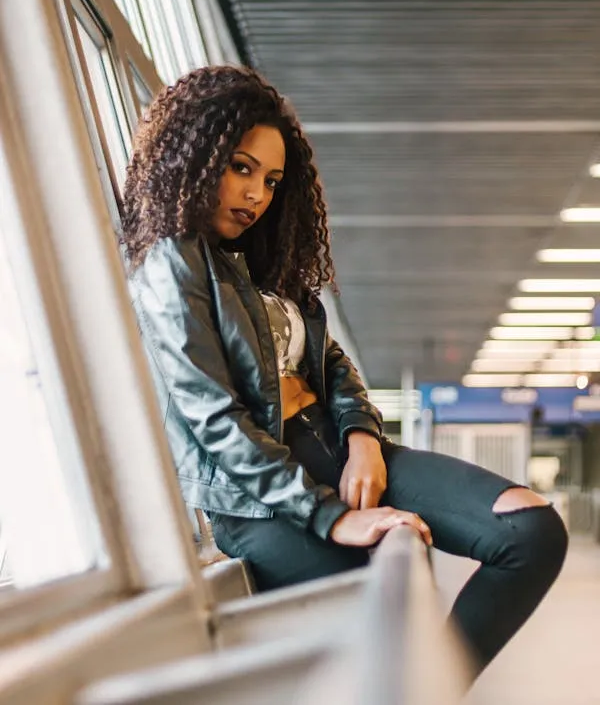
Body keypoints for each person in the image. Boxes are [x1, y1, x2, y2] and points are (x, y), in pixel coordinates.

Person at [123, 64, 567, 679]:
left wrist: (362, 437)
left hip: (337, 445)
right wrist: (332, 515)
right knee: (383, 618)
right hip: (262, 499)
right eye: (241, 168)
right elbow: (214, 419)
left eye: (272, 181)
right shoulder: (173, 263)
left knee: (529, 531)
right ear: (194, 157)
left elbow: (328, 360)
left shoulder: (257, 264)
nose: (256, 195)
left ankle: (435, 691)